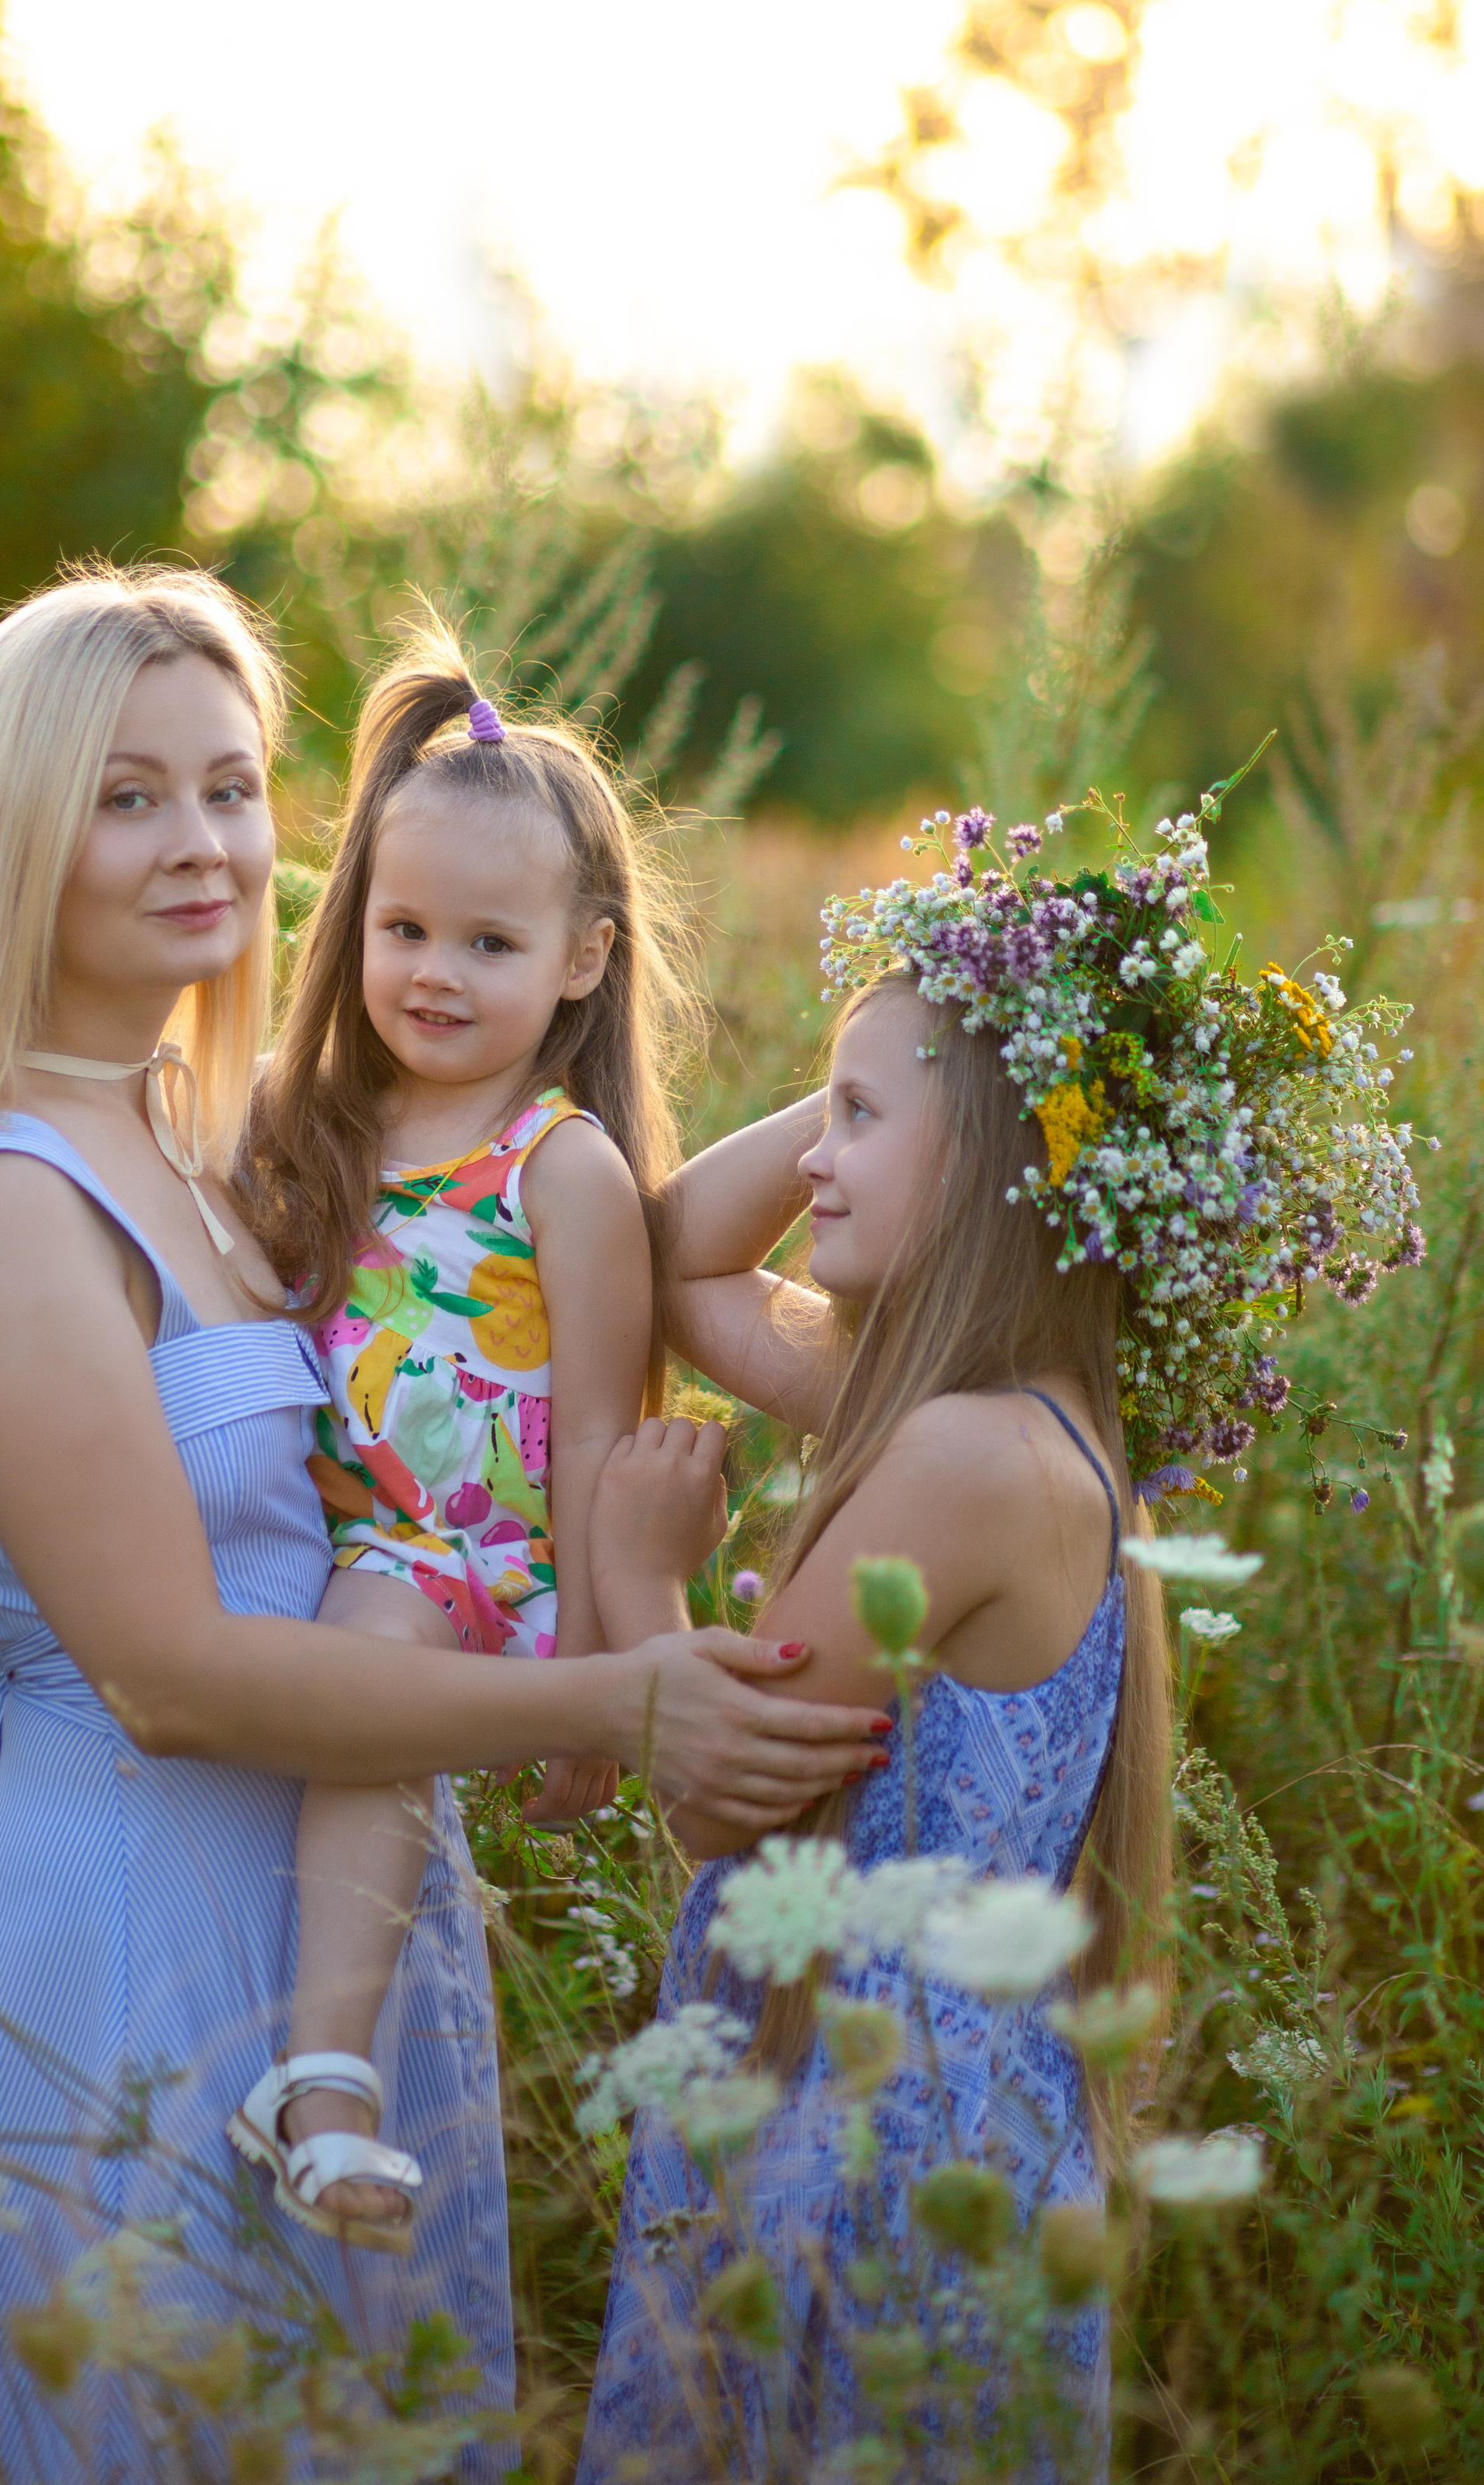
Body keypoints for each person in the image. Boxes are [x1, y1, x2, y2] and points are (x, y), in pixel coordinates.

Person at [0, 562, 887, 2485]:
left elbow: (548, 1332)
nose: (203, 841)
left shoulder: (203, 1133)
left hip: (314, 1895)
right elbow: (167, 1673)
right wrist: (611, 1699)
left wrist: (956, 1320)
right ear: (13, 832)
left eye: (230, 787)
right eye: (126, 796)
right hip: (125, 1914)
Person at [575, 967, 1172, 2479]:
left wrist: (641, 1574)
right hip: (946, 2103)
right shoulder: (996, 1411)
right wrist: (945, 1017)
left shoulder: (964, 1456)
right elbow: (676, 1259)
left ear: (982, 1165)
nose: (812, 1158)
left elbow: (716, 1802)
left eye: (854, 1118)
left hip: (872, 2127)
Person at [236, 629, 691, 2248]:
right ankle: (308, 2063)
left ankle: (319, 2081)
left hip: (469, 1564)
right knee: (341, 1677)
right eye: (404, 927)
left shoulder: (559, 1166)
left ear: (582, 959)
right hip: (336, 1541)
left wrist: (591, 1663)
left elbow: (597, 1431)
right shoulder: (309, 1123)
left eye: (489, 943)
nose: (435, 971)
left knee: (373, 1679)